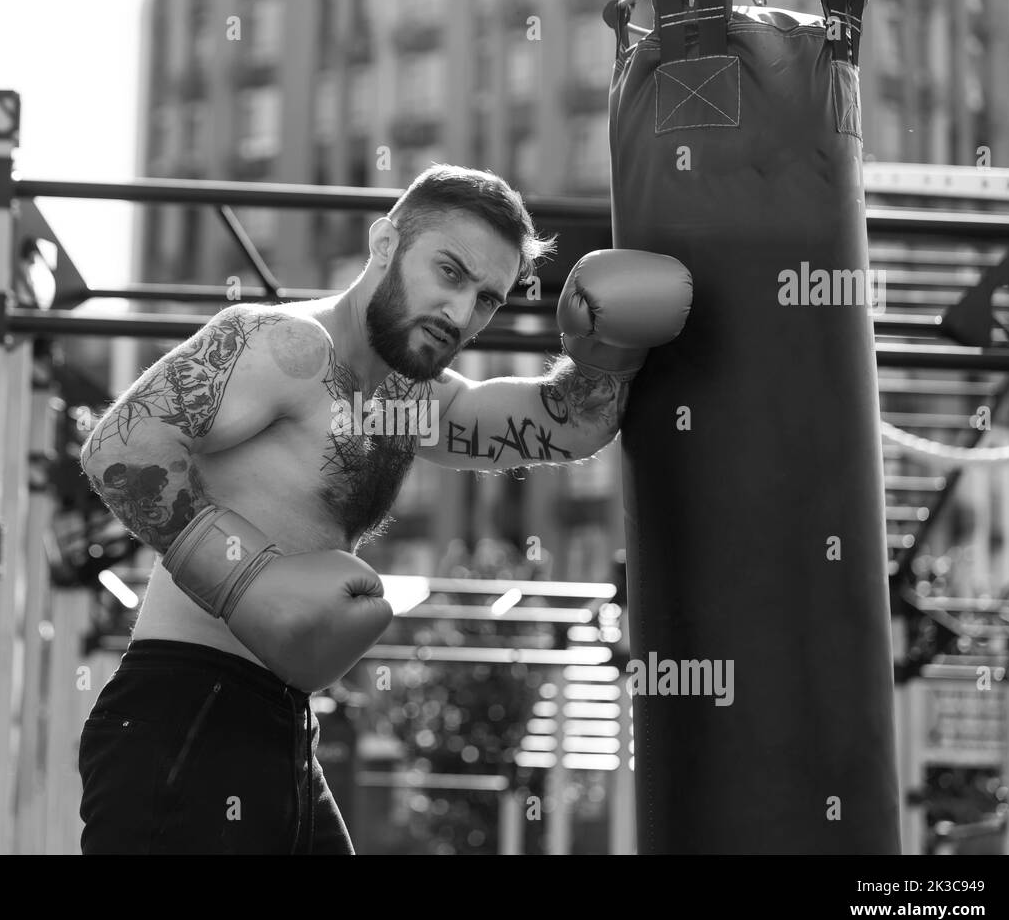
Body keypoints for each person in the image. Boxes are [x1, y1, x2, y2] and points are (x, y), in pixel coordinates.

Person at [76, 163, 691, 854]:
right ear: (384, 243)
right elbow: (119, 447)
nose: (461, 315)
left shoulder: (408, 401)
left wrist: (607, 351)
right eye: (450, 273)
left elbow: (566, 425)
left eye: (487, 299)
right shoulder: (283, 347)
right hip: (186, 712)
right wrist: (244, 574)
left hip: (281, 726)